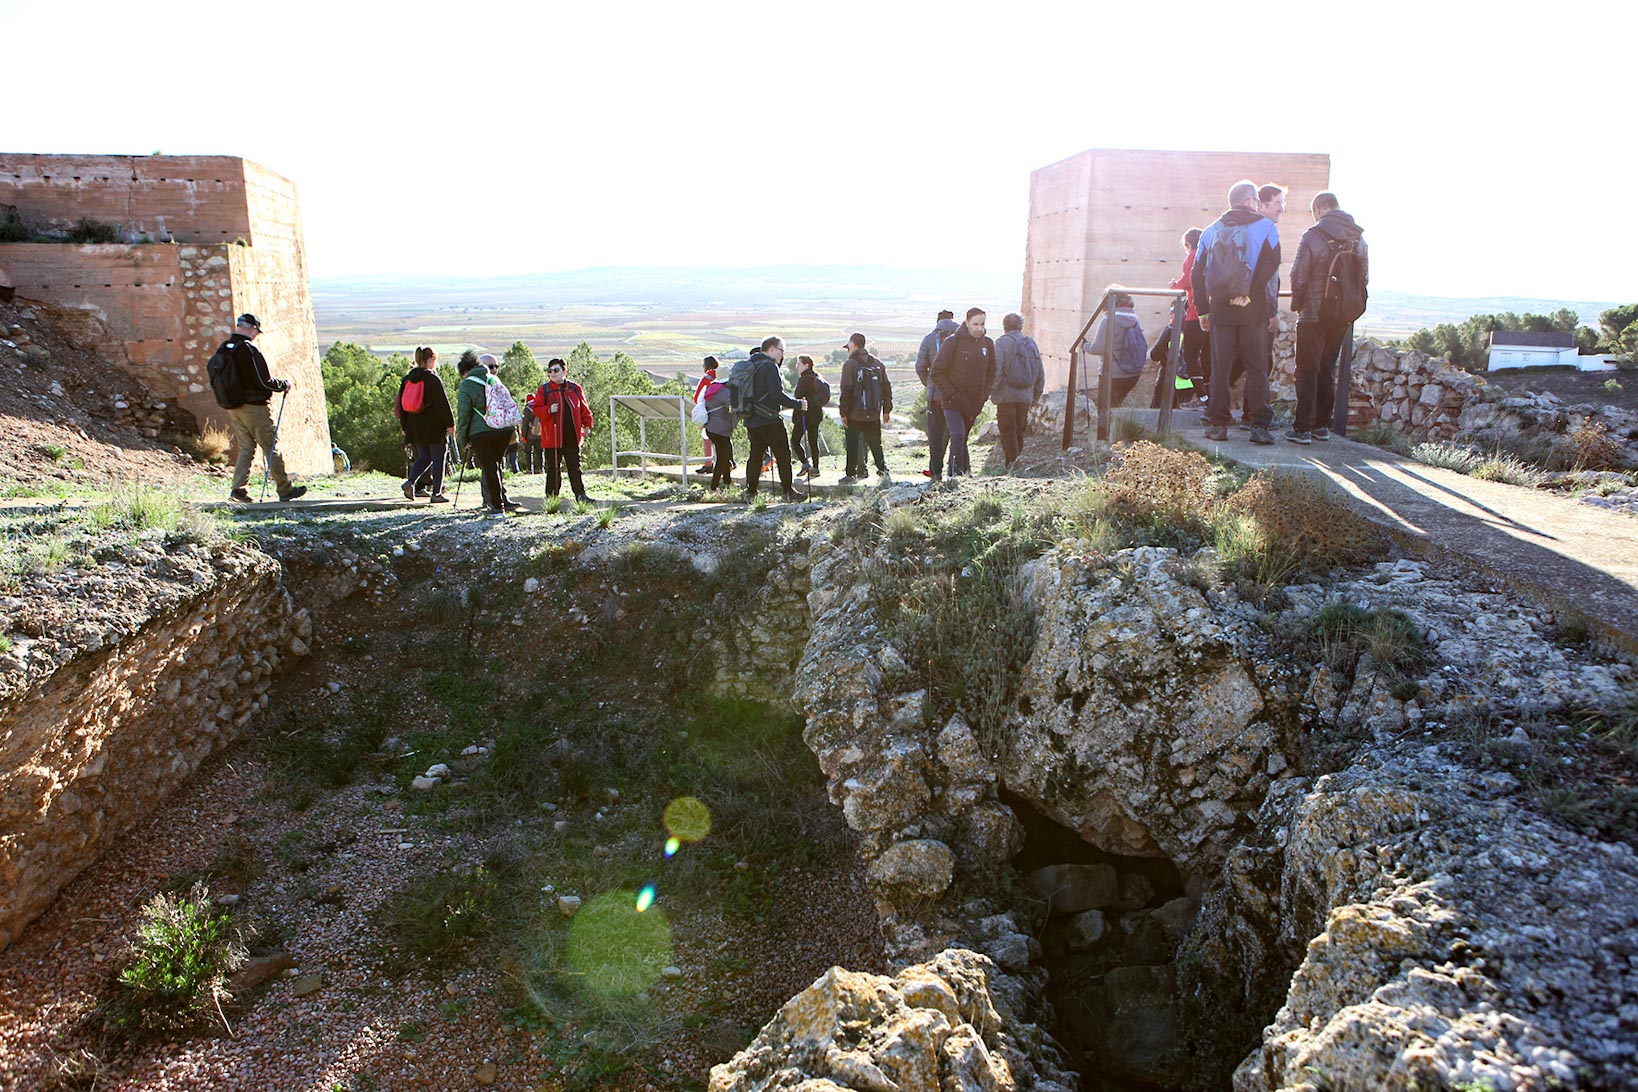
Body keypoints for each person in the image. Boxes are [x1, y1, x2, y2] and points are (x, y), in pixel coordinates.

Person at [1193, 180, 1281, 444]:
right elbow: (1271, 263)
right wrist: (1250, 293)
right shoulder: (1267, 227)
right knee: (1257, 368)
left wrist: (1203, 311)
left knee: (1220, 368)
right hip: (1252, 310)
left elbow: (1197, 274)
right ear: (1251, 201)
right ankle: (1259, 427)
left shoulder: (1210, 230)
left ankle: (1218, 425)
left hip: (1220, 309)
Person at [1287, 191, 1368, 445]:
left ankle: (1302, 428)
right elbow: (1364, 277)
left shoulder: (1313, 235)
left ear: (1319, 209)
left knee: (1306, 370)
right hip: (1342, 315)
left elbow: (1298, 275)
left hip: (1313, 314)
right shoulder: (1359, 238)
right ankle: (1322, 426)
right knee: (1326, 368)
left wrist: (1297, 304)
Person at [218, 313, 306, 503]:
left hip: (234, 407)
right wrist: (283, 385)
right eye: (256, 331)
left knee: (246, 448)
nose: (256, 335)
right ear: (251, 329)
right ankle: (284, 489)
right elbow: (263, 381)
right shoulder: (248, 350)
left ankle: (238, 490)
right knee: (271, 446)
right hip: (254, 407)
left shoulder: (227, 348)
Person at [929, 308, 995, 478]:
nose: (979, 328)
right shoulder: (953, 342)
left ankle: (963, 473)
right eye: (975, 324)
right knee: (957, 435)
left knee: (963, 438)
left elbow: (992, 372)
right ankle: (954, 477)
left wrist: (984, 395)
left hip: (974, 403)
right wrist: (950, 393)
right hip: (952, 401)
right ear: (966, 323)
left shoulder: (987, 344)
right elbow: (936, 372)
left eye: (982, 324)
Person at [454, 349, 521, 515]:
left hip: (482, 432)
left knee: (489, 467)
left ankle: (497, 507)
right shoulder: (494, 379)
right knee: (496, 465)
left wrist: (464, 439)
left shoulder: (467, 384)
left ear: (465, 371)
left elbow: (464, 415)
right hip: (504, 429)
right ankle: (501, 502)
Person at [741, 336, 807, 502]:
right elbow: (777, 396)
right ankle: (787, 492)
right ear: (771, 349)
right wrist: (799, 404)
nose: (782, 356)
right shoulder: (769, 367)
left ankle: (751, 493)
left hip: (751, 420)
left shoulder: (750, 365)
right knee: (783, 456)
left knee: (755, 456)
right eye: (781, 351)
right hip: (770, 420)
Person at [397, 346, 455, 504]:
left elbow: (401, 406)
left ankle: (410, 483)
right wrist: (450, 424)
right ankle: (436, 493)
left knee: (424, 456)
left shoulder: (407, 379)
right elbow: (442, 404)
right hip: (434, 427)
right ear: (430, 360)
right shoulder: (432, 379)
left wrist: (405, 427)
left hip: (414, 427)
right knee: (438, 457)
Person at [532, 357, 595, 502]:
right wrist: (548, 409)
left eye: (556, 370)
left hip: (572, 437)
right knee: (553, 469)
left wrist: (587, 425)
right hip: (552, 438)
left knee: (575, 468)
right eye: (550, 371)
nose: (553, 373)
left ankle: (581, 495)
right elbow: (536, 409)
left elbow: (584, 409)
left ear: (564, 370)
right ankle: (552, 499)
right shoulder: (544, 390)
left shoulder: (575, 388)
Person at [991, 313, 1044, 468]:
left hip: (1005, 396)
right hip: (1025, 396)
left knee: (1007, 431)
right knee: (1019, 430)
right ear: (1021, 326)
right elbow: (1039, 371)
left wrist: (992, 390)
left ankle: (1012, 463)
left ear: (1004, 326)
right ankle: (1016, 461)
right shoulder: (1031, 343)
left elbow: (997, 370)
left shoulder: (1001, 343)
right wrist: (1036, 395)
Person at [839, 333, 893, 484]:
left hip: (854, 413)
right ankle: (883, 471)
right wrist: (886, 409)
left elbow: (846, 390)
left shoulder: (849, 365)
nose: (847, 350)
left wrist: (843, 412)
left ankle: (850, 474)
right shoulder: (877, 364)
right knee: (875, 442)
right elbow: (886, 387)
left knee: (852, 443)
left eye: (848, 346)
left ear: (854, 345)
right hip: (874, 412)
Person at [915, 309, 960, 478]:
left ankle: (935, 471)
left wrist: (930, 384)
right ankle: (957, 470)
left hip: (936, 396)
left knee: (935, 434)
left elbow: (920, 367)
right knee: (957, 433)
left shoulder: (929, 339)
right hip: (958, 395)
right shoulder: (963, 339)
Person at [1170, 228, 1211, 407]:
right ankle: (1210, 395)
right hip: (1215, 312)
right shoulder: (1212, 256)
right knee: (1209, 355)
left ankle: (1202, 396)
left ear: (1188, 244)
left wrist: (1174, 286)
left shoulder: (1193, 257)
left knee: (1190, 354)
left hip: (1196, 313)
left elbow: (1187, 282)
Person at [1084, 293, 1148, 408]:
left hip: (1112, 375)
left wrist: (1084, 345)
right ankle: (1117, 425)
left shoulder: (1108, 321)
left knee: (1105, 410)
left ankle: (1109, 426)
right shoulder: (1134, 319)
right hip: (1132, 375)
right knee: (1115, 406)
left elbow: (1096, 348)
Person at [790, 354, 827, 477]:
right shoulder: (817, 377)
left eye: (799, 364)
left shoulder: (803, 379)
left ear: (806, 365)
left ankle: (805, 463)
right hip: (816, 415)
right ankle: (816, 468)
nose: (797, 367)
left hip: (804, 415)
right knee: (813, 441)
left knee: (794, 440)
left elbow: (797, 396)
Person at [700, 370, 736, 491]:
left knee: (724, 455)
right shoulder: (724, 392)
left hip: (711, 427)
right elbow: (733, 406)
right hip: (721, 428)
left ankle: (727, 482)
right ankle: (714, 486)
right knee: (723, 456)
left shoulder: (712, 388)